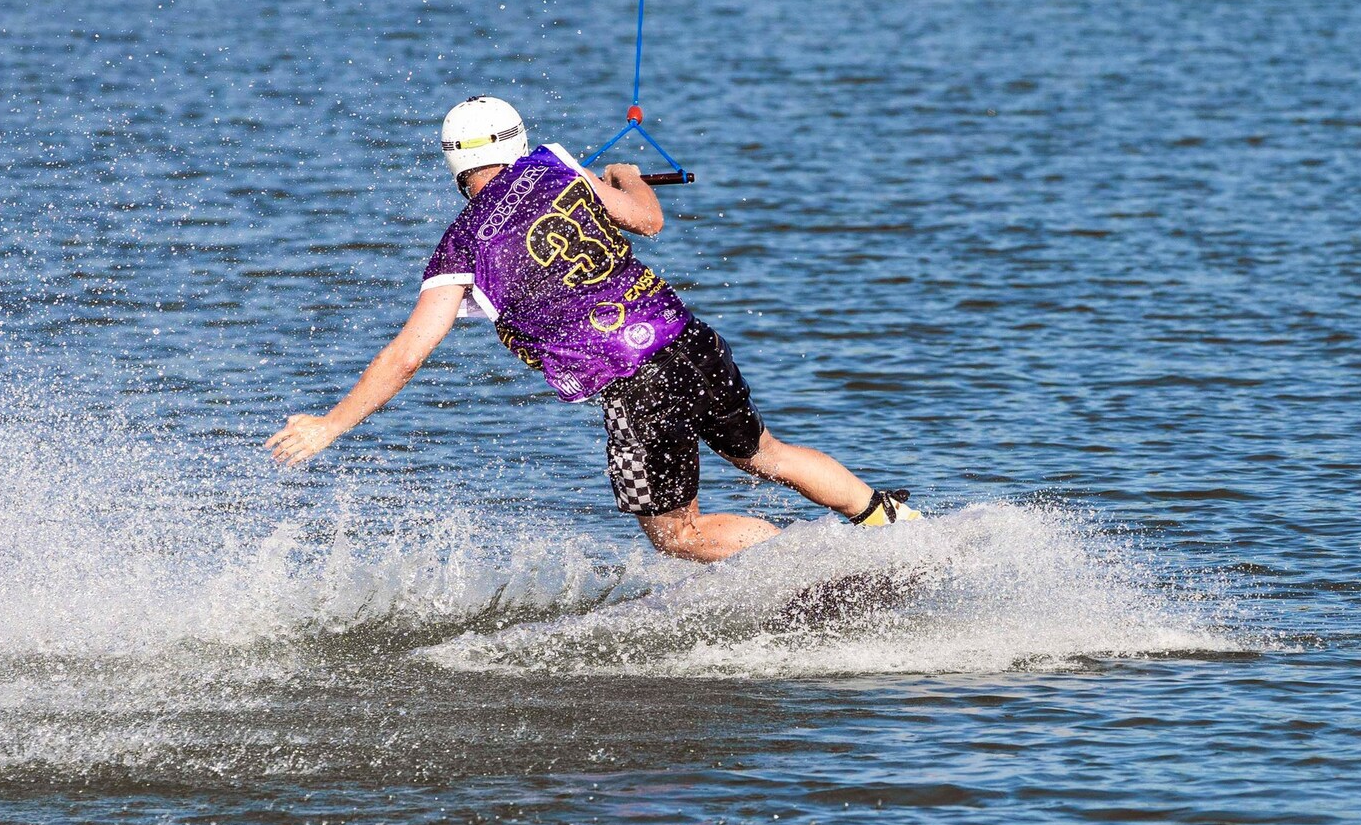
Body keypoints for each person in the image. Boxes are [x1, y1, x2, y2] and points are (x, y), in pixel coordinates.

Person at [266, 95, 919, 562]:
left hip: (633, 383)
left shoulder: (459, 249)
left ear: (456, 166)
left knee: (678, 535)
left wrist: (331, 424)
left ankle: (808, 566)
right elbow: (647, 220)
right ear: (516, 144)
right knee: (767, 454)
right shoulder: (553, 165)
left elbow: (407, 355)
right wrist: (629, 178)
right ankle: (890, 520)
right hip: (686, 338)